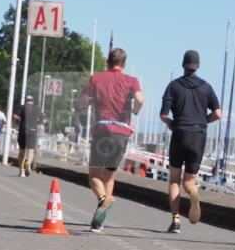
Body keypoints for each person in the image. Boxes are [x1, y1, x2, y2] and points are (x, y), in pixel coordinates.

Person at [78, 47, 144, 232]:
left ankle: (102, 199)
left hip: (103, 130)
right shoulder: (132, 80)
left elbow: (83, 101)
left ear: (108, 61)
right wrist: (135, 111)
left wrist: (89, 102)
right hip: (122, 133)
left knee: (94, 176)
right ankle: (99, 222)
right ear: (124, 64)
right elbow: (140, 99)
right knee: (109, 176)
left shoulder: (96, 78)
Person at [159, 50, 222, 234]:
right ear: (198, 66)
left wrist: (171, 123)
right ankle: (193, 193)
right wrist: (204, 121)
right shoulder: (206, 87)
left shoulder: (173, 86)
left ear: (183, 65)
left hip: (179, 133)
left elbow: (163, 115)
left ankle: (176, 220)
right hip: (198, 135)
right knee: (189, 181)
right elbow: (218, 113)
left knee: (173, 180)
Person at [13, 95, 39, 177]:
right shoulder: (37, 108)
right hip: (33, 131)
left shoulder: (22, 107)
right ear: (33, 101)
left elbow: (14, 116)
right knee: (31, 151)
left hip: (23, 130)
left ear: (26, 101)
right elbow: (43, 120)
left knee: (22, 151)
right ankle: (28, 163)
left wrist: (18, 121)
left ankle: (22, 171)